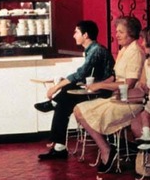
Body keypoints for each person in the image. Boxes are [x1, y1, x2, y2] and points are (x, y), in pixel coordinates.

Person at [73, 16, 145, 174]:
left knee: (81, 111)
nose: (116, 35)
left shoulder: (136, 52)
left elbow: (128, 84)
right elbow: (115, 76)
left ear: (131, 33)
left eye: (120, 32)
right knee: (78, 109)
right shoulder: (124, 50)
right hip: (118, 97)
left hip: (130, 102)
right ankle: (108, 147)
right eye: (116, 31)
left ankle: (107, 150)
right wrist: (96, 84)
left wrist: (100, 85)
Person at [35, 20, 115, 160]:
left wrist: (56, 87)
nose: (73, 35)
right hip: (93, 88)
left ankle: (59, 146)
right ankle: (59, 146)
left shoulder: (96, 50)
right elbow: (84, 76)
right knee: (64, 101)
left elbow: (81, 74)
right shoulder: (92, 50)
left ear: (85, 35)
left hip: (101, 91)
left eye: (76, 32)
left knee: (65, 95)